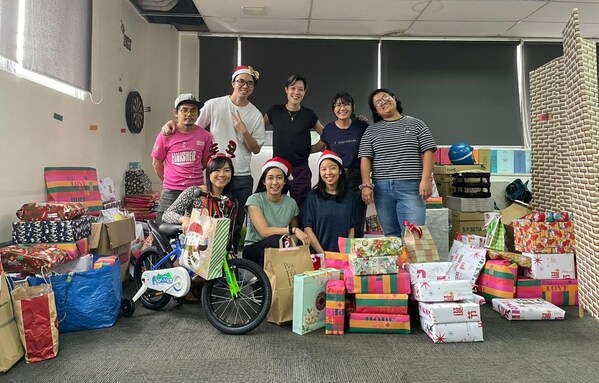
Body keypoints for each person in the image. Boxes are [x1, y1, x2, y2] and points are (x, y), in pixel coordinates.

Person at [162, 65, 265, 254]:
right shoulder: (214, 104)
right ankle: (205, 260)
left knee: (235, 221)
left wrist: (243, 131)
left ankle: (231, 259)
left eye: (250, 83)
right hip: (215, 174)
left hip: (241, 175)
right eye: (241, 81)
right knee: (208, 220)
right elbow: (191, 126)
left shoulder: (255, 114)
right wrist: (172, 123)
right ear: (233, 82)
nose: (245, 86)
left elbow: (256, 149)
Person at [358, 88, 437, 237]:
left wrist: (426, 180)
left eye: (385, 97)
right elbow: (365, 159)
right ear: (376, 110)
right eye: (377, 102)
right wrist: (366, 185)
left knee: (414, 233)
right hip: (382, 189)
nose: (383, 102)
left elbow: (428, 150)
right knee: (391, 235)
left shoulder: (416, 124)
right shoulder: (371, 131)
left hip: (411, 187)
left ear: (394, 98)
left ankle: (413, 261)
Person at [264, 74, 325, 216]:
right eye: (293, 88)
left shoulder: (308, 114)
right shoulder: (274, 111)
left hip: (301, 170)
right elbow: (257, 130)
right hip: (278, 169)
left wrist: (314, 148)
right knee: (274, 207)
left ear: (305, 92)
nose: (296, 92)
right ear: (286, 89)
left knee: (303, 208)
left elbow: (327, 134)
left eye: (300, 89)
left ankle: (302, 237)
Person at [152, 93, 213, 224]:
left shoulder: (205, 136)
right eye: (184, 110)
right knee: (162, 229)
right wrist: (169, 180)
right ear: (176, 113)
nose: (189, 114)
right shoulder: (166, 135)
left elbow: (204, 163)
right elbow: (156, 163)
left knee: (195, 230)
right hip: (171, 191)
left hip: (196, 191)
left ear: (198, 114)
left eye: (193, 111)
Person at [242, 157, 310, 268]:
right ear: (264, 181)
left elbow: (295, 237)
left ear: (284, 181)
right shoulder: (254, 200)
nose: (274, 182)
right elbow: (264, 232)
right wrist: (292, 231)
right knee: (276, 240)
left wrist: (290, 246)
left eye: (279, 178)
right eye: (270, 178)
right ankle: (261, 280)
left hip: (280, 247)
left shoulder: (291, 203)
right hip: (254, 250)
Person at [320, 92, 369, 237]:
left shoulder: (362, 126)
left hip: (357, 178)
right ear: (333, 109)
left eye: (346, 104)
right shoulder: (329, 129)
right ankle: (338, 256)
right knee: (338, 218)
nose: (342, 108)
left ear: (352, 107)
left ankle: (356, 254)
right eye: (338, 105)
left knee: (357, 219)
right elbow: (321, 148)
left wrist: (367, 184)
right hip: (336, 179)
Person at [162, 152, 236, 233]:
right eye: (217, 170)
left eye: (227, 170)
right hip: (191, 242)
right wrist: (184, 219)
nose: (222, 174)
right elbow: (167, 214)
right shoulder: (194, 192)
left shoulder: (230, 199)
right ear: (209, 173)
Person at [303, 150, 355, 253]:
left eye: (333, 168)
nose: (328, 173)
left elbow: (351, 227)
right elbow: (307, 229)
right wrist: (323, 255)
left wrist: (346, 253)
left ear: (340, 170)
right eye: (323, 169)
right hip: (318, 255)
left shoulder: (350, 195)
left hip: (342, 256)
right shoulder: (312, 197)